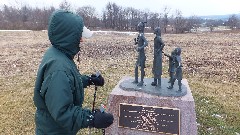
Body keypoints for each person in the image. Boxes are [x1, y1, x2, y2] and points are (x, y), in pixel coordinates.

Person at [33, 10, 113, 135]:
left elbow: (67, 82)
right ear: (68, 37)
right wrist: (91, 118)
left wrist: (88, 80)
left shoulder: (59, 54)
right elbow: (62, 112)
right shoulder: (58, 68)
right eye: (79, 36)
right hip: (55, 131)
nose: (82, 40)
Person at [133, 22, 148, 86]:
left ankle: (141, 81)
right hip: (139, 55)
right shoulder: (139, 35)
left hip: (142, 55)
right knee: (136, 67)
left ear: (142, 28)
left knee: (141, 68)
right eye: (138, 27)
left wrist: (140, 48)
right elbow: (138, 42)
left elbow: (146, 43)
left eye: (139, 27)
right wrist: (135, 42)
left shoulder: (142, 35)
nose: (138, 28)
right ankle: (136, 80)